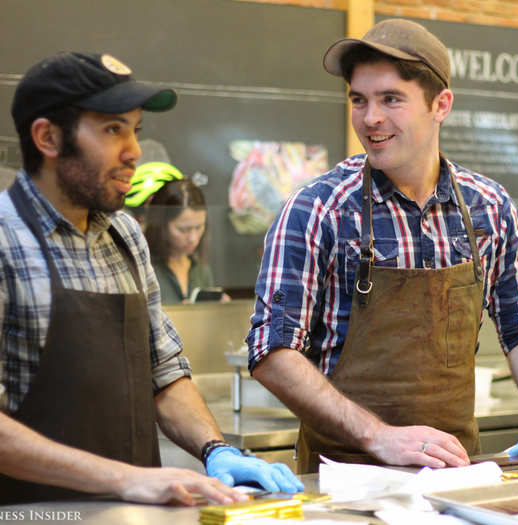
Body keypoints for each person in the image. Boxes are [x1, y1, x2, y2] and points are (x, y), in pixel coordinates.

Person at [247, 19, 518, 474]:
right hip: (343, 480)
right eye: (359, 100)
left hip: (454, 471)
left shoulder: (488, 207)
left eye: (391, 99)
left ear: (441, 105)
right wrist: (379, 437)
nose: (370, 118)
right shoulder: (318, 210)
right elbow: (272, 352)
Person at [0, 51, 303, 505]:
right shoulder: (5, 240)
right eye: (112, 130)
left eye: (135, 130)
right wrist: (125, 479)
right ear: (48, 137)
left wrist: (215, 449)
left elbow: (163, 372)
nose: (134, 151)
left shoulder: (123, 235)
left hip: (131, 514)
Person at [128, 163, 219, 304]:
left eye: (199, 227)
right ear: (161, 225)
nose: (193, 238)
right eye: (183, 230)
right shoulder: (141, 268)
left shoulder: (201, 269)